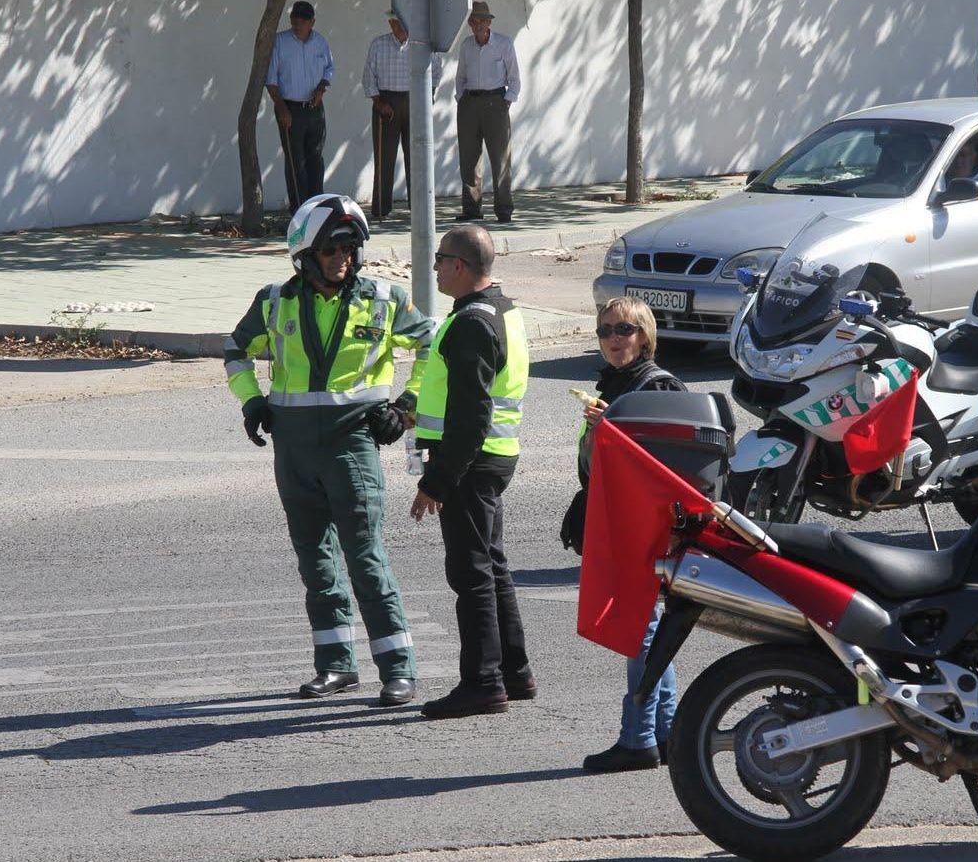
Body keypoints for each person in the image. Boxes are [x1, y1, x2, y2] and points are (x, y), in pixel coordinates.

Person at [223, 194, 435, 707]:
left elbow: (433, 346)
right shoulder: (274, 300)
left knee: (365, 558)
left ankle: (398, 669)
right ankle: (336, 665)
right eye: (331, 249)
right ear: (305, 256)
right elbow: (236, 351)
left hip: (351, 446)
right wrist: (252, 402)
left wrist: (406, 406)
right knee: (315, 563)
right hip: (293, 450)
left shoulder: (384, 298)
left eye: (349, 248)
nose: (342, 257)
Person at [409, 224, 533, 718]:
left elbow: (470, 416)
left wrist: (437, 481)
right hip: (492, 458)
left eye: (440, 259)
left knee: (471, 573)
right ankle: (514, 672)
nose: (435, 268)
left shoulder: (471, 323)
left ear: (459, 266)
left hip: (470, 464)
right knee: (492, 566)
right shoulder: (504, 311)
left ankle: (483, 682)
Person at [560, 298, 686, 772]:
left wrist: (612, 428)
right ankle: (666, 734)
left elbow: (662, 466)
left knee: (641, 630)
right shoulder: (616, 386)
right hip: (623, 520)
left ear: (645, 336)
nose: (614, 338)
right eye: (605, 330)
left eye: (625, 330)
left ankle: (638, 738)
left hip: (645, 524)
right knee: (647, 631)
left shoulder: (656, 386)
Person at [361, 11, 440, 220]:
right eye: (396, 22)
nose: (401, 27)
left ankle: (419, 206)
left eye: (404, 22)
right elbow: (368, 77)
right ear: (390, 23)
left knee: (417, 156)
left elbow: (436, 70)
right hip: (386, 102)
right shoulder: (378, 44)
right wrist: (378, 102)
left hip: (415, 100)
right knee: (384, 157)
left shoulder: (422, 44)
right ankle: (381, 207)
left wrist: (428, 96)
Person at [453, 1, 520, 224]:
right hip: (470, 103)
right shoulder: (466, 45)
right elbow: (460, 76)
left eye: (482, 20)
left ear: (489, 22)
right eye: (474, 21)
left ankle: (504, 209)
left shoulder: (504, 43)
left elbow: (514, 78)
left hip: (496, 102)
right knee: (469, 158)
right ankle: (471, 209)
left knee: (501, 158)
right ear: (470, 24)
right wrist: (461, 99)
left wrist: (506, 102)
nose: (478, 25)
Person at [267, 1, 334, 210]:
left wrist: (322, 88)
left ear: (312, 22)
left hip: (315, 108)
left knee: (315, 158)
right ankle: (299, 210)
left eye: (303, 21)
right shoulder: (280, 42)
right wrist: (282, 108)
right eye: (295, 19)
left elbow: (329, 69)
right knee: (296, 162)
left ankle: (317, 207)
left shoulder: (320, 42)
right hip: (290, 108)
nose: (298, 24)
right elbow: (271, 79)